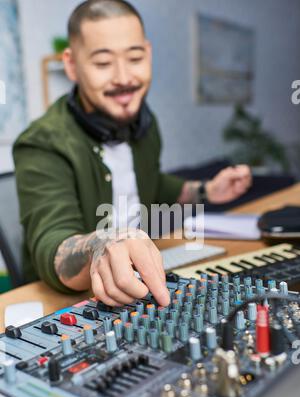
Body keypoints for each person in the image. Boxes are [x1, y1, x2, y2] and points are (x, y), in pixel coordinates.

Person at [13, 0, 252, 307]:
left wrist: (206, 190)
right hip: (68, 302)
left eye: (135, 58)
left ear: (149, 54)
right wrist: (103, 243)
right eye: (103, 63)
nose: (124, 78)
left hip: (141, 283)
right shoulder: (41, 143)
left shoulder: (144, 126)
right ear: (72, 65)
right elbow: (53, 244)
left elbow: (151, 184)